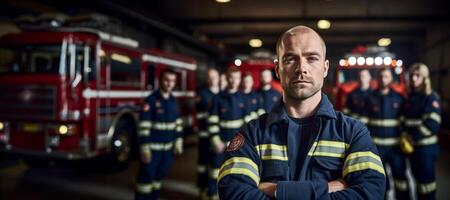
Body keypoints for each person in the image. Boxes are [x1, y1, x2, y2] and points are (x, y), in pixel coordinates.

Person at [217, 25, 385, 200]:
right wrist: (327, 188)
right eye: (290, 59)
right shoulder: (252, 134)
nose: (301, 68)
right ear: (277, 70)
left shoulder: (353, 133)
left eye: (311, 58)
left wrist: (276, 190)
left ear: (325, 68)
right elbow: (233, 193)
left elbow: (370, 193)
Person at [135, 69, 184, 200]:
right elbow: (143, 127)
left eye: (172, 81)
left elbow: (178, 124)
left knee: (158, 179)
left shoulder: (174, 101)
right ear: (160, 81)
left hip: (167, 151)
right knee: (145, 181)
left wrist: (178, 141)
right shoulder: (151, 100)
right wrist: (145, 149)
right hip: (152, 151)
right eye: (167, 80)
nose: (169, 84)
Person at [364, 68, 409, 199]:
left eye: (386, 76)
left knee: (400, 178)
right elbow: (364, 123)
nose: (383, 79)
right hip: (377, 149)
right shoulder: (370, 98)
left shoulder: (399, 98)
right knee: (379, 180)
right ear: (378, 79)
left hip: (396, 148)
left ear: (391, 79)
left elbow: (404, 123)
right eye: (381, 76)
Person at [207, 67, 248, 199]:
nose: (233, 80)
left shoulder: (243, 98)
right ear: (226, 77)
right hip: (220, 145)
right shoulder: (217, 98)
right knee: (215, 173)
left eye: (236, 77)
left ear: (239, 79)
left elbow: (248, 123)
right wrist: (215, 141)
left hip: (238, 146)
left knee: (234, 174)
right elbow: (212, 121)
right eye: (231, 77)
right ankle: (213, 195)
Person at [403, 63, 441, 200]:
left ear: (425, 78)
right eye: (412, 75)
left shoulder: (430, 97)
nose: (414, 78)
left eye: (417, 75)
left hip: (426, 148)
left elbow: (432, 123)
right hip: (413, 148)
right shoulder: (411, 96)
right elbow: (405, 120)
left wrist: (412, 137)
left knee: (427, 183)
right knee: (417, 180)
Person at [195, 68, 220, 199]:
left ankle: (213, 191)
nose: (212, 79)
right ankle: (202, 189)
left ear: (219, 77)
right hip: (205, 136)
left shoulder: (222, 94)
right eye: (210, 77)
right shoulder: (202, 94)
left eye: (214, 76)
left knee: (216, 166)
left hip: (217, 137)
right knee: (203, 165)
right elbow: (200, 117)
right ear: (207, 79)